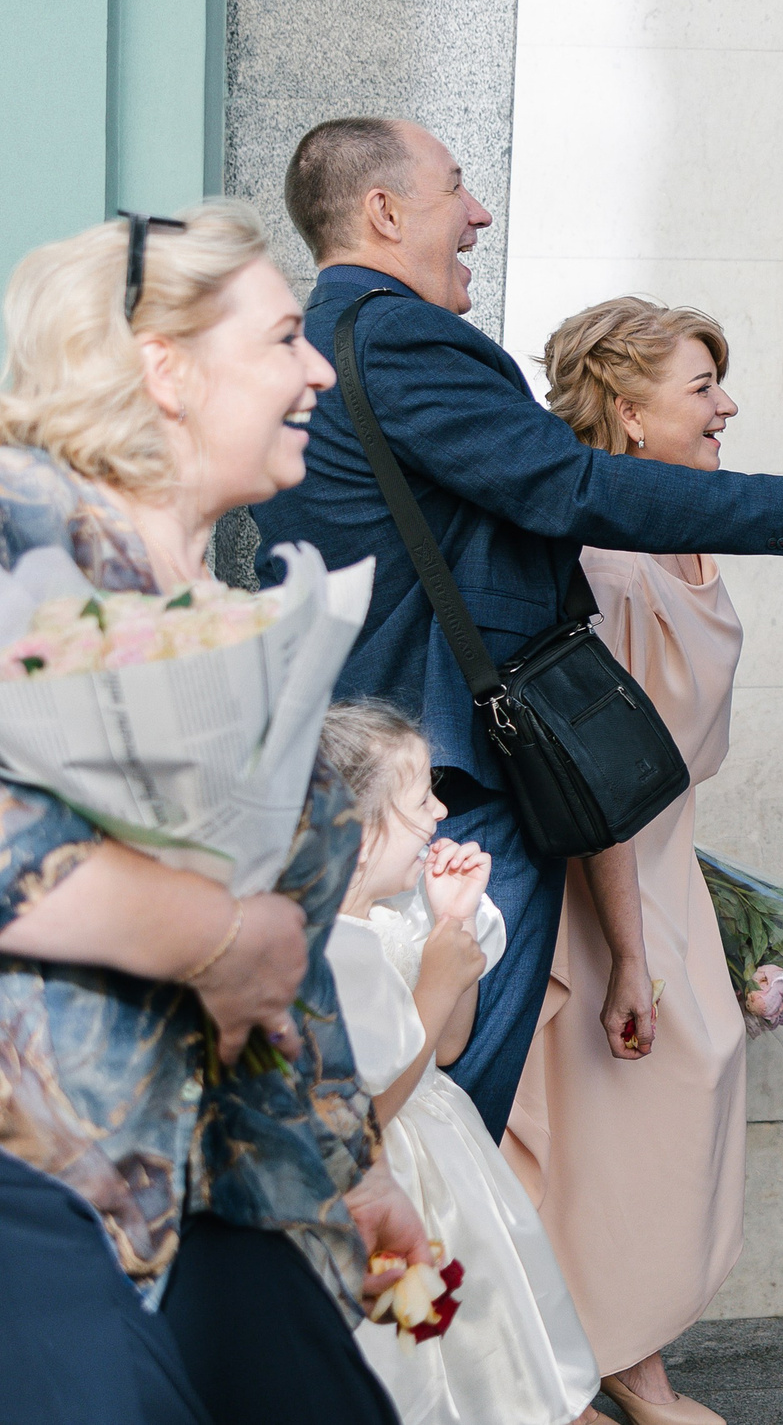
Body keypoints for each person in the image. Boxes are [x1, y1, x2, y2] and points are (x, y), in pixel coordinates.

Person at [248, 117, 783, 1139]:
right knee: (439, 1114)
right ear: (384, 212)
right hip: (458, 783)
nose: (480, 212)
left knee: (406, 1095)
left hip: (374, 770)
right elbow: (567, 486)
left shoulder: (325, 342)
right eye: (456, 189)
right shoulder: (397, 334)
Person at [0, 204, 430, 1424]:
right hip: (32, 1187)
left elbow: (287, 959)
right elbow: (246, 938)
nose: (315, 371)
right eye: (288, 339)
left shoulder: (227, 607)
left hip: (205, 1188)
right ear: (164, 370)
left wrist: (355, 1171)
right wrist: (205, 931)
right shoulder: (17, 525)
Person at [503, 299, 756, 1425]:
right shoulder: (601, 567)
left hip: (666, 861)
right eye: (701, 386)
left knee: (664, 1107)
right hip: (609, 880)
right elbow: (601, 780)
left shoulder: (676, 534)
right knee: (619, 1124)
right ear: (625, 408)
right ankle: (616, 1374)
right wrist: (626, 953)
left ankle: (614, 1361)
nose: (725, 406)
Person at [319, 700, 604, 1425]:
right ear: (356, 828)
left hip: (447, 1176)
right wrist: (437, 979)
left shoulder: (382, 925)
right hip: (390, 1185)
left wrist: (450, 930)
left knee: (486, 1354)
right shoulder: (325, 953)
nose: (442, 810)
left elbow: (444, 1047)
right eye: (421, 799)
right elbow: (364, 1113)